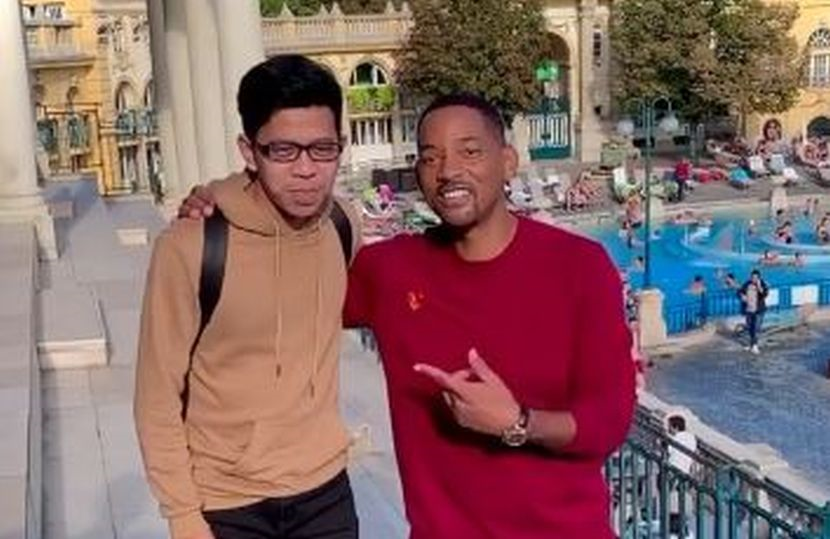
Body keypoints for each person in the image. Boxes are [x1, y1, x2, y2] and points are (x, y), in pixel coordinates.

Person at [180, 92, 636, 538]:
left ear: (508, 162)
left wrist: (517, 423)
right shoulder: (392, 271)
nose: (448, 171)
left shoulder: (579, 267)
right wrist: (225, 204)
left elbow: (610, 418)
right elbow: (289, 289)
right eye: (430, 157)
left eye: (470, 151)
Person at [134, 56, 361, 539]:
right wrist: (182, 515)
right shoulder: (191, 246)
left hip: (326, 493)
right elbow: (156, 395)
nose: (306, 170)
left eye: (323, 149)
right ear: (249, 151)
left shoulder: (344, 226)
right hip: (227, 502)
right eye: (283, 151)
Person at [739, 269, 769, 355]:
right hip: (749, 310)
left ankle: (755, 345)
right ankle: (751, 344)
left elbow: (765, 294)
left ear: (759, 278)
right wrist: (742, 296)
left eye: (756, 278)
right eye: (752, 277)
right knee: (750, 327)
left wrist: (759, 287)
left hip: (759, 310)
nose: (754, 279)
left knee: (756, 328)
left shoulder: (762, 284)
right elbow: (740, 291)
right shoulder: (747, 284)